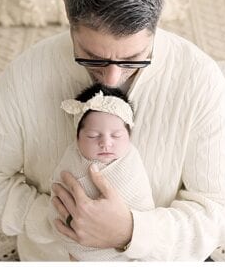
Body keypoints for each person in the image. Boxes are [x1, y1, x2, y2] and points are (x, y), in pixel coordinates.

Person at [0, 0, 225, 261]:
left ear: (157, 21)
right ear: (67, 10)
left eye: (133, 59)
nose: (111, 80)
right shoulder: (24, 74)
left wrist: (131, 231)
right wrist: (60, 220)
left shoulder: (200, 79)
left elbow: (220, 211)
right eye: (92, 57)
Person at [51, 84, 155, 261]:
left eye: (116, 136)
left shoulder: (131, 163)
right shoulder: (70, 161)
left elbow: (143, 207)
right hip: (76, 246)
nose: (106, 143)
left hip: (127, 249)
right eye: (93, 135)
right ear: (77, 138)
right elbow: (57, 200)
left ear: (129, 136)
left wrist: (127, 231)